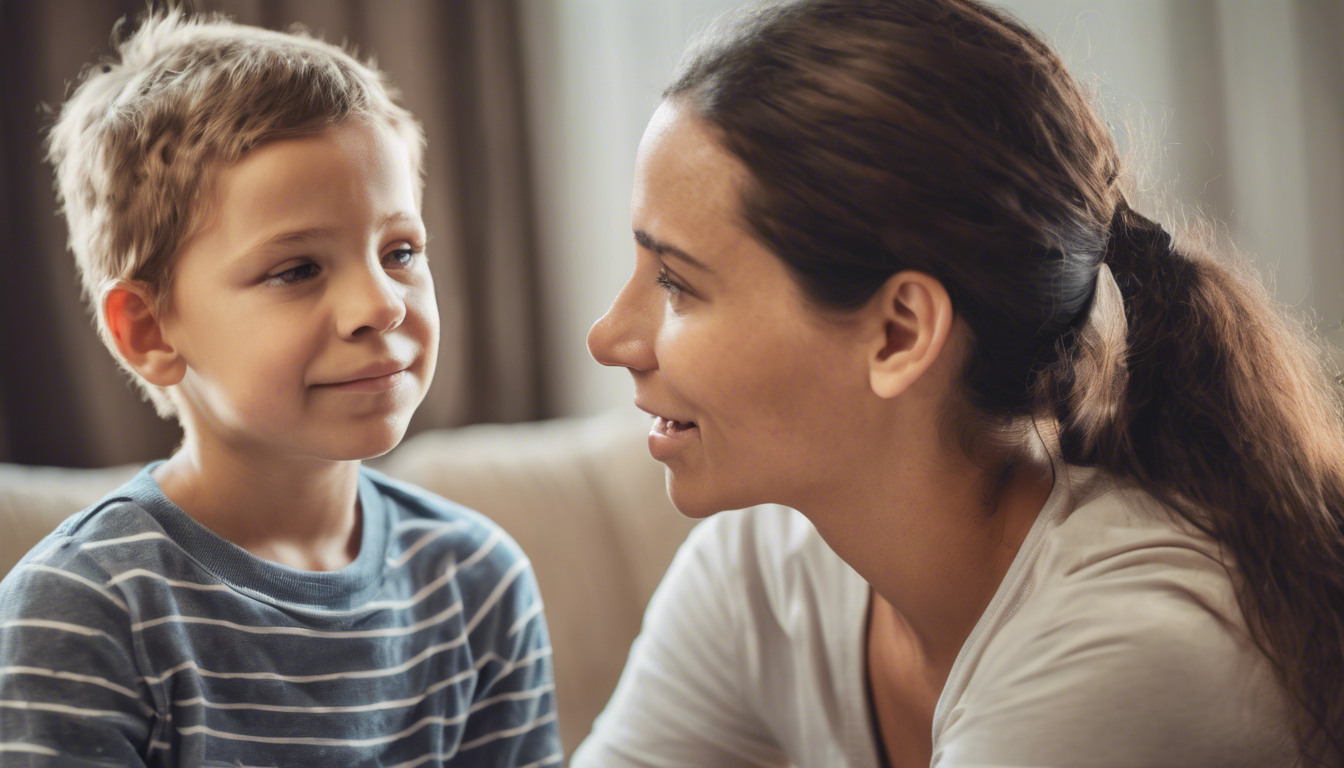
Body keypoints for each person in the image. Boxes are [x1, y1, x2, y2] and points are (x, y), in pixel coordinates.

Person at [577, 0, 1344, 766]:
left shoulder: (1120, 653)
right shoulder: (761, 573)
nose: (608, 338)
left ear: (900, 333)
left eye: (677, 282)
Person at [0, 11, 560, 766]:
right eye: (296, 269)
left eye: (399, 251)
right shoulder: (86, 610)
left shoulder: (478, 584)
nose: (383, 306)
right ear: (150, 332)